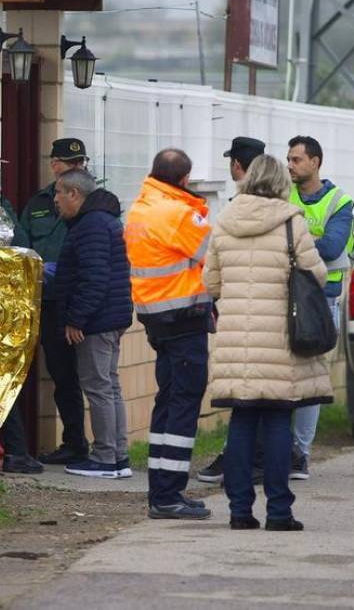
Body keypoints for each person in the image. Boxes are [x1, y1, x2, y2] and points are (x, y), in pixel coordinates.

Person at [203, 154, 329, 531]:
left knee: (241, 420)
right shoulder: (292, 223)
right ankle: (279, 513)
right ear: (279, 182)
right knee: (277, 421)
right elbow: (317, 275)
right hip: (279, 341)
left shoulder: (223, 223)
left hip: (236, 342)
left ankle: (240, 511)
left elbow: (211, 284)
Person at [126, 148, 214, 520]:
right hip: (184, 318)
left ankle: (162, 490)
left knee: (167, 403)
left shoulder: (140, 209)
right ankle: (169, 496)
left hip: (156, 320)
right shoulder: (177, 213)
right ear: (183, 179)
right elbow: (216, 253)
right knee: (183, 405)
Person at [12, 138, 91, 466]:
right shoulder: (41, 202)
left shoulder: (95, 203)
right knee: (47, 372)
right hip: (39, 299)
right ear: (54, 165)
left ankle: (80, 443)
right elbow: (21, 241)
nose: (74, 169)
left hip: (73, 303)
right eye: (67, 164)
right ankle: (63, 443)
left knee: (76, 377)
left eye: (79, 164)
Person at [50, 170, 134, 479]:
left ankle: (105, 458)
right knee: (109, 386)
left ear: (74, 194)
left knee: (98, 387)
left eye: (59, 192)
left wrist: (76, 319)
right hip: (109, 316)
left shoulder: (91, 226)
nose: (55, 199)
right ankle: (118, 455)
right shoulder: (101, 220)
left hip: (97, 321)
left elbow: (94, 279)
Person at [196, 135, 269, 485]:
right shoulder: (289, 211)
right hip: (276, 323)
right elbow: (312, 267)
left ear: (238, 166)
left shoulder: (229, 215)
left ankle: (238, 468)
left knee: (242, 401)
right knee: (273, 405)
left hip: (239, 319)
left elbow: (211, 278)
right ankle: (269, 470)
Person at [285, 135, 354, 481]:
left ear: (315, 162)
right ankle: (280, 449)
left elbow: (330, 247)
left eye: (297, 159)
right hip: (286, 295)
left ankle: (301, 453)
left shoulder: (339, 201)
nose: (291, 165)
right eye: (289, 159)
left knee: (311, 379)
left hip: (322, 298)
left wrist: (293, 239)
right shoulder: (284, 194)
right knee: (283, 376)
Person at [0, 194, 44, 474]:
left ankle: (16, 450)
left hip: (4, 307)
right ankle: (15, 450)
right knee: (6, 378)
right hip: (5, 307)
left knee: (6, 378)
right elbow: (22, 245)